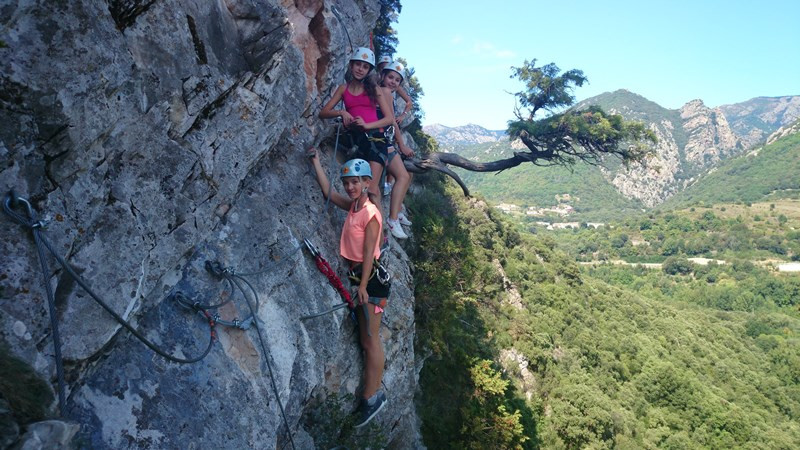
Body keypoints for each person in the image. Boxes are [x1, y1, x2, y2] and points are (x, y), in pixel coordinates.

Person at [307, 150, 390, 428]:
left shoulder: (371, 213)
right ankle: (371, 395)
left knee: (370, 341)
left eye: (355, 182)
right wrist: (316, 162)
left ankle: (372, 398)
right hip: (360, 279)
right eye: (347, 183)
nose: (350, 187)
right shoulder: (354, 207)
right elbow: (328, 193)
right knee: (367, 340)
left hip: (371, 281)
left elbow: (369, 252)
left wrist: (364, 285)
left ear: (367, 182)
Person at [320, 47, 396, 207]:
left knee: (372, 189)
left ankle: (378, 231)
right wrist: (342, 112)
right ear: (351, 65)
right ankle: (371, 227)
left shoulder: (373, 89)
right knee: (363, 191)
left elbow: (389, 118)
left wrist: (367, 125)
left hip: (376, 140)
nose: (361, 69)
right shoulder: (343, 89)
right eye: (358, 65)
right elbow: (324, 112)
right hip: (358, 141)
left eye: (365, 66)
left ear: (369, 71)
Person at [379, 61, 415, 238]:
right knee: (402, 176)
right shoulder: (384, 92)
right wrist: (402, 145)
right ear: (383, 76)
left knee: (407, 175)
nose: (393, 82)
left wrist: (406, 105)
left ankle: (398, 211)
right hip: (381, 140)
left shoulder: (387, 91)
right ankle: (393, 219)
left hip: (384, 139)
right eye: (390, 77)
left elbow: (403, 95)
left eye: (397, 80)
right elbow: (391, 121)